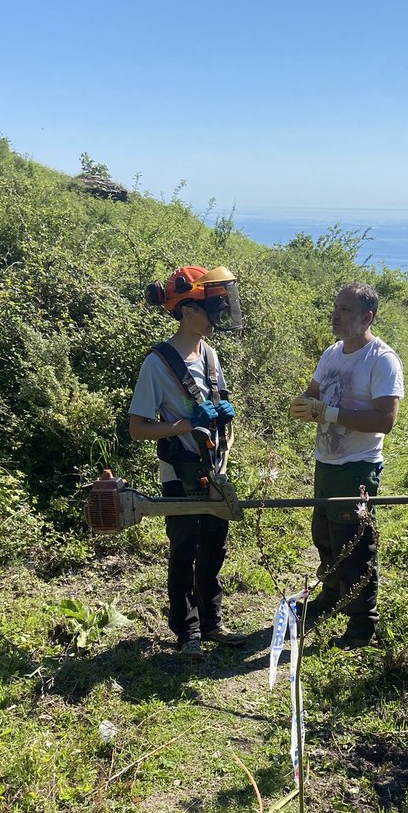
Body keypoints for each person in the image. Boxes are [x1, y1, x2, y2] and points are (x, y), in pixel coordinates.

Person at [129, 265, 246, 659]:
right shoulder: (157, 363)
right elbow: (138, 429)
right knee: (185, 548)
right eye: (211, 309)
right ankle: (187, 632)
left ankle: (211, 623)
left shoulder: (210, 355)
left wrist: (223, 416)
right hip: (179, 473)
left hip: (214, 468)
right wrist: (183, 425)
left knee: (214, 545)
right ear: (189, 311)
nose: (218, 316)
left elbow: (219, 402)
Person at [289, 282, 403, 648]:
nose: (336, 315)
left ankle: (361, 626)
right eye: (336, 307)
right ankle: (331, 596)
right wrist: (304, 404)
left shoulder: (382, 360)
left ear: (367, 317)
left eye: (345, 310)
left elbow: (386, 420)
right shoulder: (331, 354)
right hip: (326, 463)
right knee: (324, 536)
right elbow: (314, 394)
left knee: (354, 546)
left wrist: (330, 413)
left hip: (357, 467)